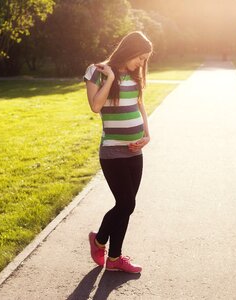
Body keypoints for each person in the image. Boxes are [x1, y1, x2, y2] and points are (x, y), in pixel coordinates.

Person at [83, 31, 153, 273]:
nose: (141, 63)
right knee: (125, 202)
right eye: (140, 58)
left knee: (127, 205)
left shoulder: (136, 75)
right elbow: (95, 106)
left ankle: (113, 258)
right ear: (130, 50)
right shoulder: (97, 71)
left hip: (135, 150)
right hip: (112, 151)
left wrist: (146, 134)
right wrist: (111, 78)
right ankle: (99, 240)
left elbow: (139, 103)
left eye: (145, 60)